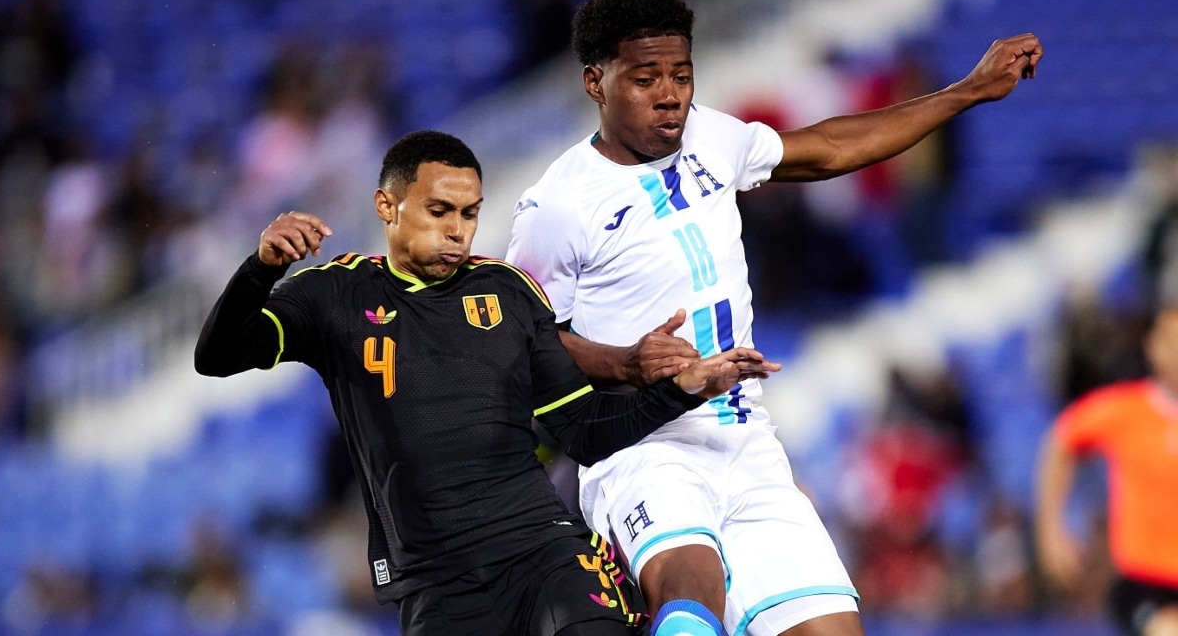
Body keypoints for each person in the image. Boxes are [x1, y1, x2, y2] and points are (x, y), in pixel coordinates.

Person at [505, 0, 1043, 636]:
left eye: (682, 73)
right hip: (641, 445)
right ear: (596, 81)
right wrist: (627, 362)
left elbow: (829, 149)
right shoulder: (557, 206)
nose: (671, 93)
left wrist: (966, 91)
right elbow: (522, 346)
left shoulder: (712, 137)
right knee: (689, 596)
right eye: (646, 78)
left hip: (746, 444)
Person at [194, 129, 779, 636]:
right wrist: (262, 267)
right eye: (439, 211)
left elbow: (581, 431)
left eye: (470, 214)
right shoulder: (333, 294)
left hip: (542, 551)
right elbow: (217, 356)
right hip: (434, 584)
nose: (458, 231)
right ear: (387, 205)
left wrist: (682, 391)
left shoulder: (508, 293)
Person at [1035, 307, 1178, 636]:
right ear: (1152, 348)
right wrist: (1052, 531)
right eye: (1169, 340)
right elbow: (1060, 442)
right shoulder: (1125, 410)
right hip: (1146, 582)